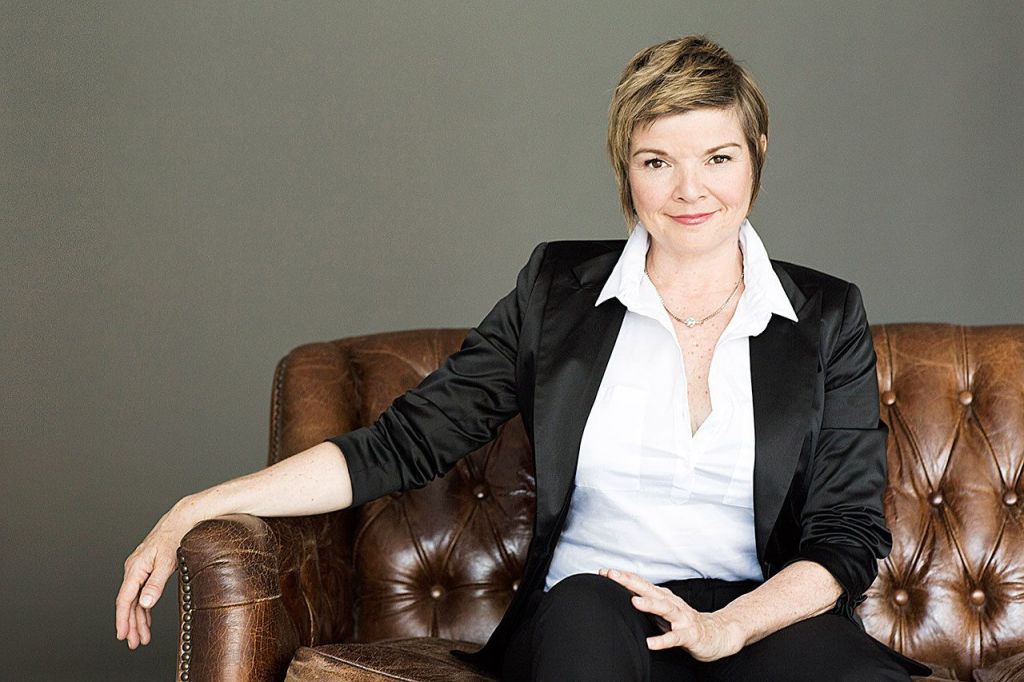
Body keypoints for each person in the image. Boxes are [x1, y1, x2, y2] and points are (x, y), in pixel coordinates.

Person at [116, 35, 933, 681]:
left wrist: (726, 628)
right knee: (582, 619)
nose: (692, 190)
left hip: (756, 617)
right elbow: (404, 443)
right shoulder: (557, 292)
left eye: (718, 157)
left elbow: (846, 534)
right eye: (658, 161)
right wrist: (195, 506)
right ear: (626, 172)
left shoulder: (826, 315)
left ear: (756, 156)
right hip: (595, 609)